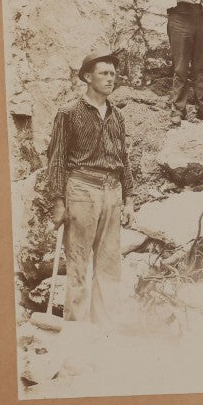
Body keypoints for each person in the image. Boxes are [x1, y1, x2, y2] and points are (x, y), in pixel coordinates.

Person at [42, 51, 137, 325]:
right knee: (78, 263)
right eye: (104, 73)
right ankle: (77, 330)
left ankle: (103, 330)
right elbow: (57, 158)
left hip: (113, 191)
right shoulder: (68, 113)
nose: (111, 78)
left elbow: (124, 158)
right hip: (81, 189)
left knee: (109, 264)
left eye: (113, 74)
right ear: (87, 77)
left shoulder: (117, 116)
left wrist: (129, 199)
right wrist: (58, 201)